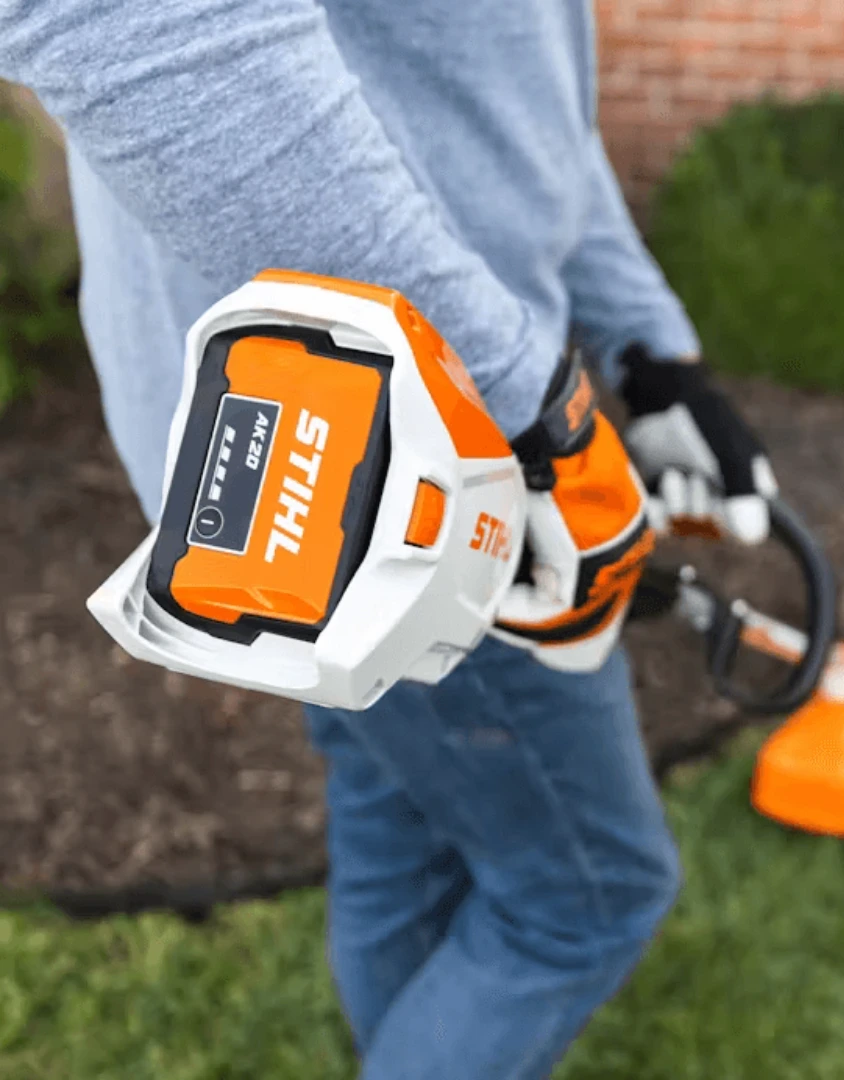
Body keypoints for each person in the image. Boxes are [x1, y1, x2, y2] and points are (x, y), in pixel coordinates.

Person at [0, 2, 778, 1076]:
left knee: (400, 814)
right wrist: (520, 415)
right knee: (584, 900)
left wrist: (649, 348)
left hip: (404, 439)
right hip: (397, 466)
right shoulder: (484, 429)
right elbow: (118, 16)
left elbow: (510, 82)